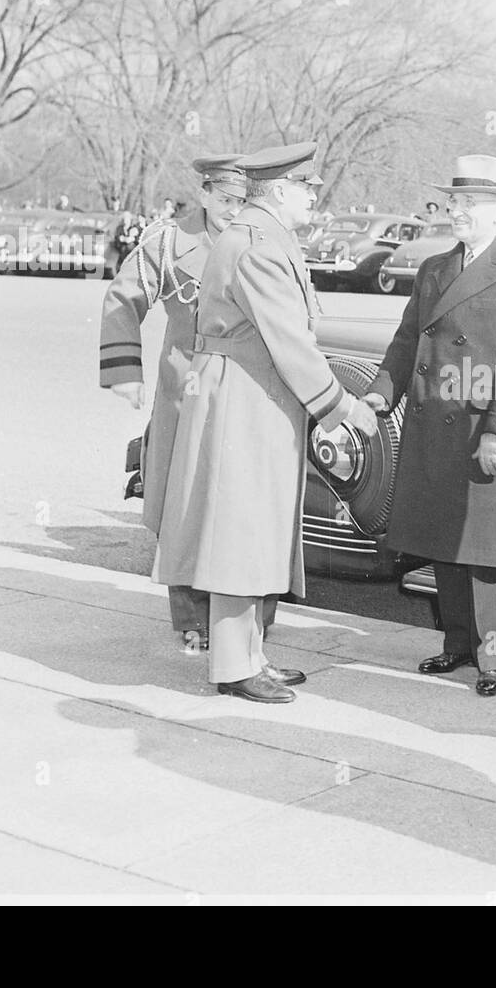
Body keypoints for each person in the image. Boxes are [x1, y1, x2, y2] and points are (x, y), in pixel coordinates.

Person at [152, 143, 379, 703]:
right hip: (244, 400)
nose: (313, 198)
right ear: (280, 191)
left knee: (255, 528)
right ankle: (233, 665)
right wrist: (342, 409)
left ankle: (250, 655)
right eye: (307, 188)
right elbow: (290, 342)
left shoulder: (263, 236)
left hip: (255, 397)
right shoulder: (256, 244)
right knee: (239, 531)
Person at [362, 155, 496, 697]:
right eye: (454, 201)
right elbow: (406, 341)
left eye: (469, 203)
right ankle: (457, 644)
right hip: (432, 425)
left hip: (483, 431)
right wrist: (381, 393)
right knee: (443, 539)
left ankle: (493, 658)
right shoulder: (433, 269)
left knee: (484, 549)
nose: (457, 211)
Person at [99, 155, 247, 649]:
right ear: (204, 194)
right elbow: (123, 299)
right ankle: (192, 622)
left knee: (237, 514)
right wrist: (124, 373)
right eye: (225, 199)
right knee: (182, 513)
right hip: (184, 400)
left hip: (246, 402)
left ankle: (242, 627)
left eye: (243, 201)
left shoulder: (264, 242)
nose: (233, 210)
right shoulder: (166, 243)